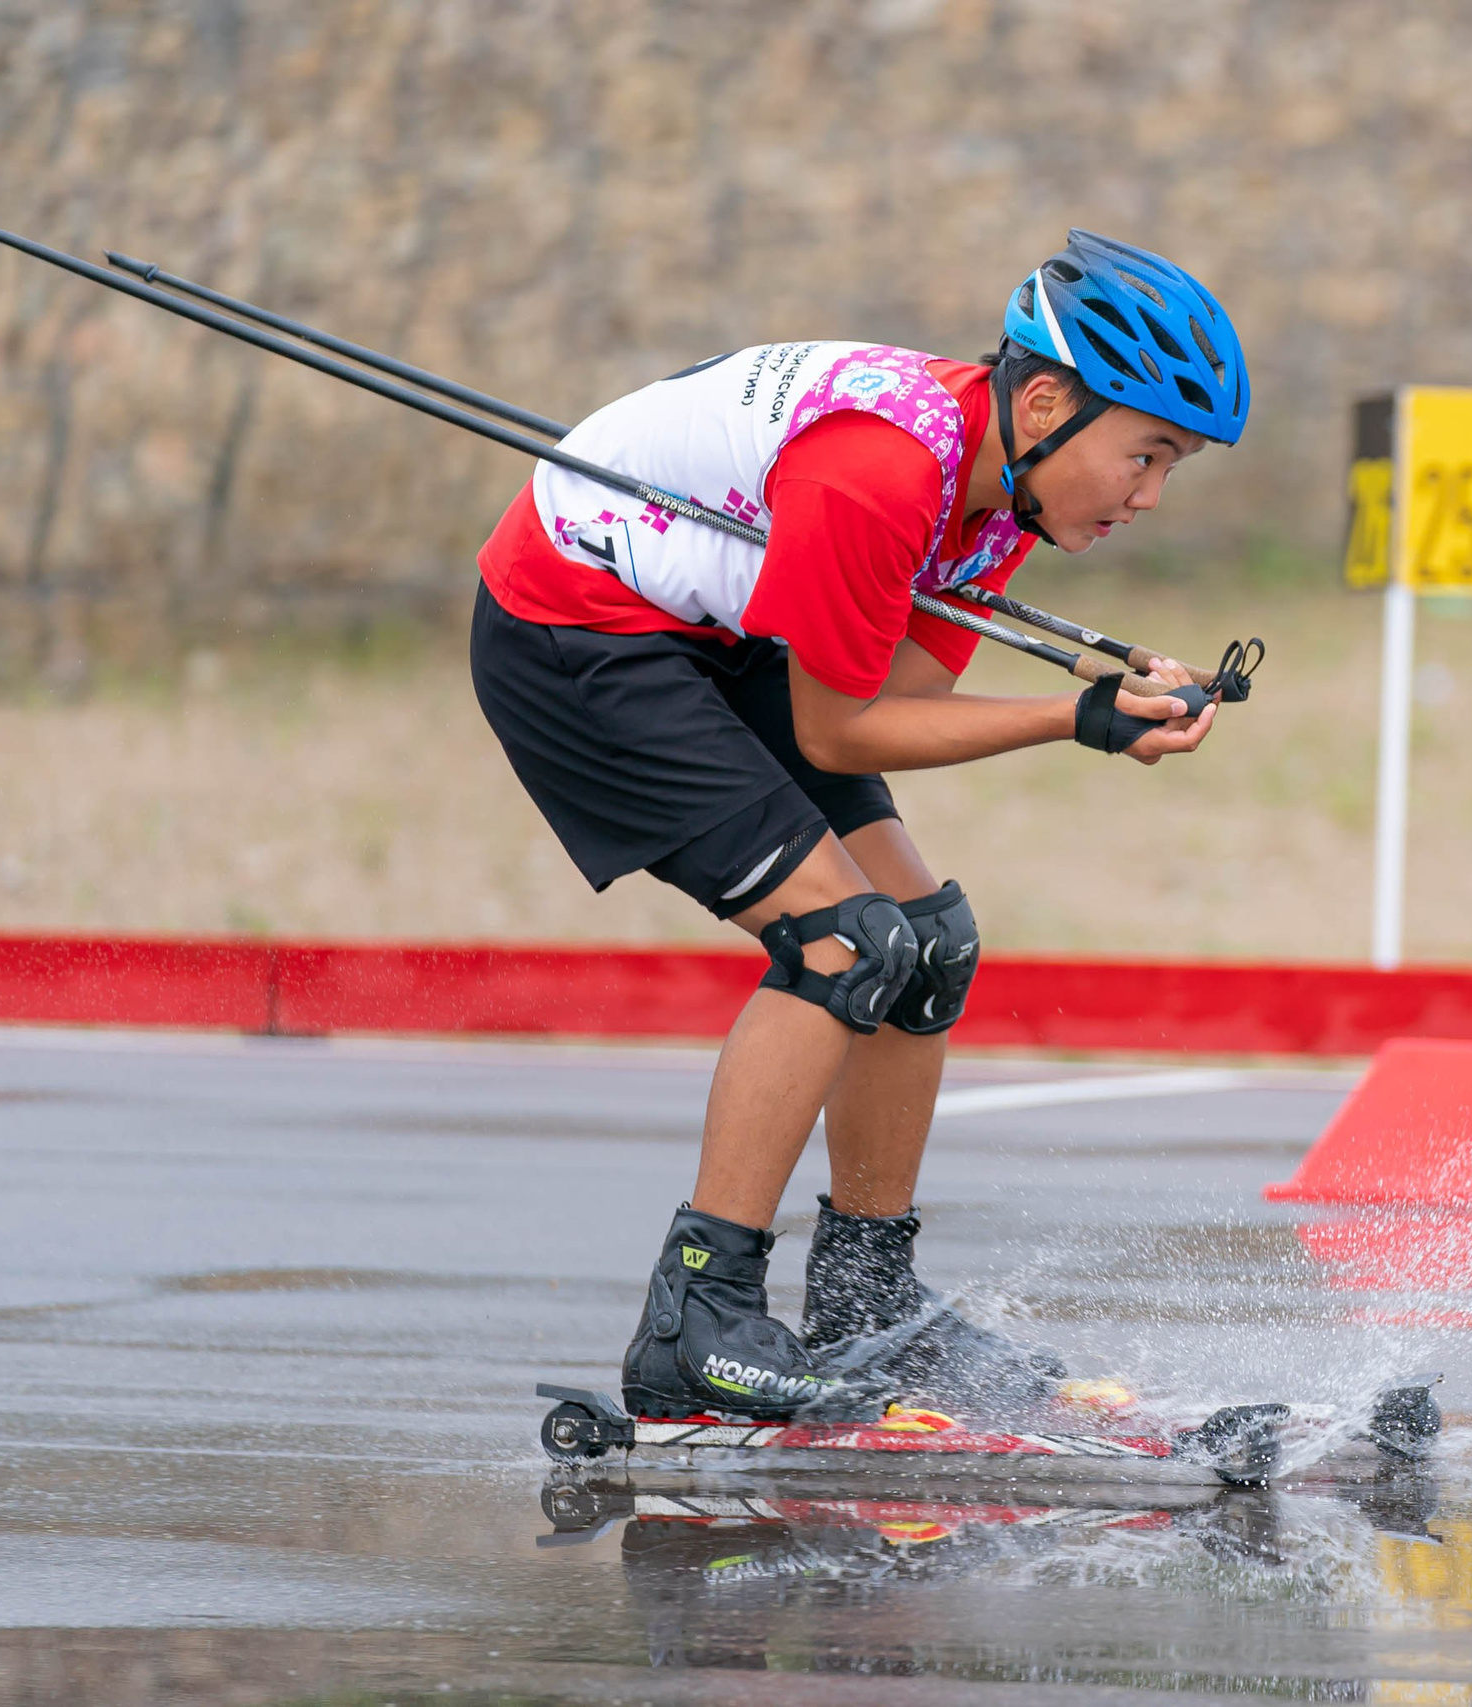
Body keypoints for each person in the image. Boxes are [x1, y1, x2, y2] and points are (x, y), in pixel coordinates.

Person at [468, 231, 1250, 1420]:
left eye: (1171, 467)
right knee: (844, 942)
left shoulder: (995, 491)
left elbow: (905, 707)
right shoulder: (883, 475)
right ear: (1044, 401)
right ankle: (696, 1317)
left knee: (928, 946)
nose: (1148, 496)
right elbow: (840, 735)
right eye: (1144, 455)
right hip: (580, 631)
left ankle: (867, 1301)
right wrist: (1077, 716)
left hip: (716, 637)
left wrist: (1096, 696)